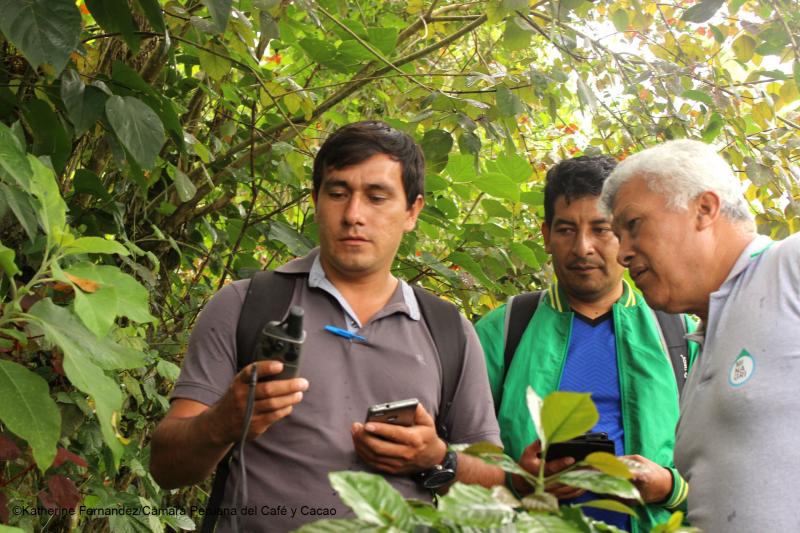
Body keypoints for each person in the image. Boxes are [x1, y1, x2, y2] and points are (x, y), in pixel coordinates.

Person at [149, 121, 504, 532]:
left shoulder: (449, 332)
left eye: (377, 197)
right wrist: (222, 422)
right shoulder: (245, 305)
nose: (354, 215)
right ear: (316, 200)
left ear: (412, 211)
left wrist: (439, 459)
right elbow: (166, 468)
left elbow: (497, 487)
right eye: (337, 193)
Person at [475, 155, 697, 532]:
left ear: (625, 235)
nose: (582, 248)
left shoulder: (679, 334)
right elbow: (457, 456)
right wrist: (518, 480)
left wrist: (669, 487)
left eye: (600, 229)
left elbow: (727, 467)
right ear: (546, 236)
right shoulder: (504, 330)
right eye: (566, 230)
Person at [600, 139, 800, 532]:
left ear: (704, 209)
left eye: (633, 225)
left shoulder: (787, 269)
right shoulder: (703, 338)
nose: (622, 253)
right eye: (619, 236)